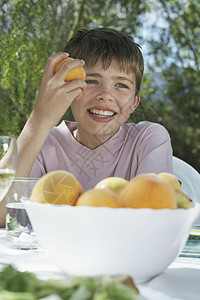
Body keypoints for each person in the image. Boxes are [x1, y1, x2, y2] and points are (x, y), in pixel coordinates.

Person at [0, 28, 173, 227]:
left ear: (135, 101)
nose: (105, 95)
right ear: (69, 88)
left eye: (121, 85)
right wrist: (39, 120)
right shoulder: (42, 143)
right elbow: (2, 214)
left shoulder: (148, 138)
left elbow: (154, 218)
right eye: (92, 81)